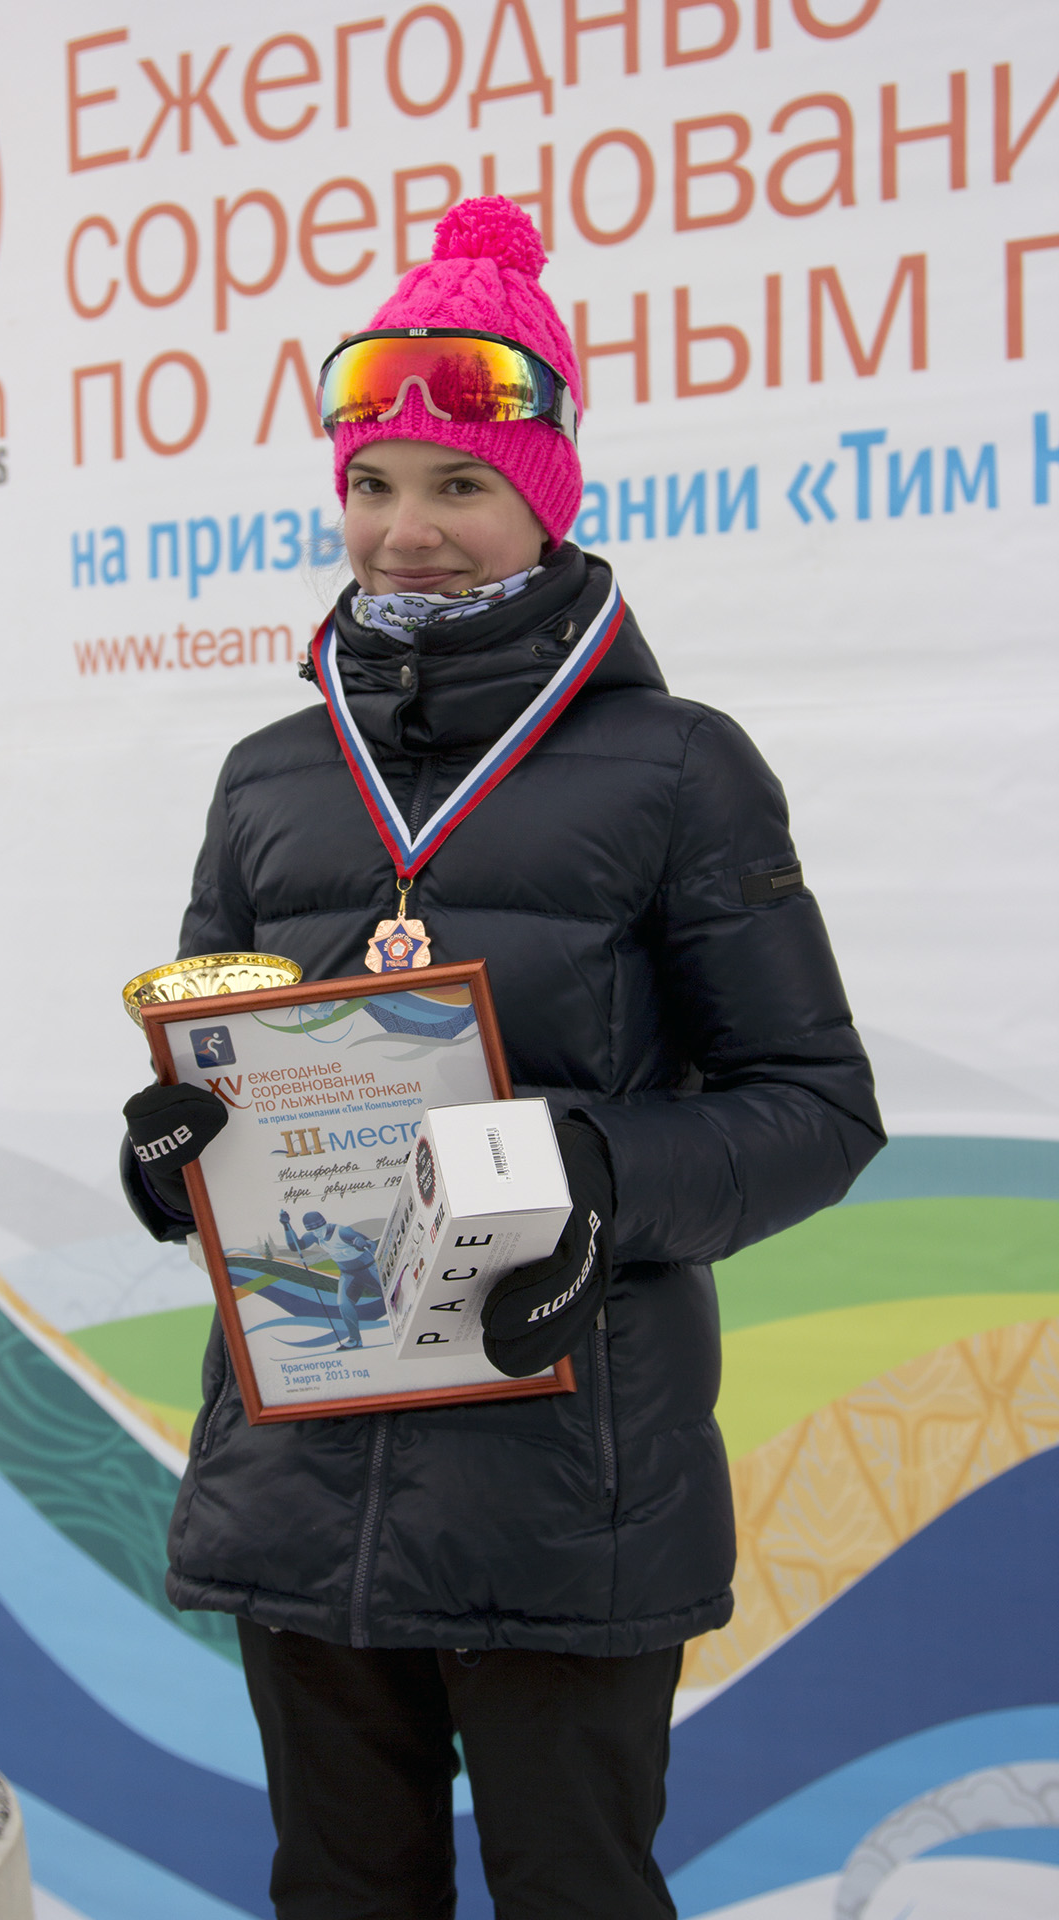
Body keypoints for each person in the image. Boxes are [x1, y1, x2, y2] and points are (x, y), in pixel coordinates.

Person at [120, 197, 884, 1920]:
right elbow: (222, 1075)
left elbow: (818, 1110)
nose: (407, 533)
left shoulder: (677, 768)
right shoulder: (271, 775)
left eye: (460, 485)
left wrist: (591, 1170)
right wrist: (172, 1157)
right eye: (373, 485)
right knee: (339, 1893)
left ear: (544, 497)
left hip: (566, 1482)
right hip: (303, 1481)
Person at [278, 1207, 381, 1348]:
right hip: (348, 1274)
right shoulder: (314, 1236)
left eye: (318, 1229)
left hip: (368, 1270)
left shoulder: (342, 1231)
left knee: (389, 1294)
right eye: (313, 1231)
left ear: (324, 1224)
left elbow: (371, 1245)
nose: (317, 1234)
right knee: (344, 1304)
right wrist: (286, 1225)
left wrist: (362, 1243)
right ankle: (355, 1340)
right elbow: (295, 1246)